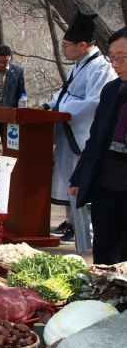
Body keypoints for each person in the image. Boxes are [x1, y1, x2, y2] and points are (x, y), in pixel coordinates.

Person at [46, 11, 116, 245]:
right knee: (68, 182)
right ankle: (73, 224)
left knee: (81, 184)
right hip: (68, 130)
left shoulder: (101, 68)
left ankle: (88, 231)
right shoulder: (79, 65)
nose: (64, 49)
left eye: (67, 45)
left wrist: (61, 107)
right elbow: (66, 92)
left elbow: (94, 102)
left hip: (82, 133)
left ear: (83, 45)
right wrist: (51, 104)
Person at [68, 27, 127, 263]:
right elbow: (96, 138)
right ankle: (105, 294)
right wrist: (80, 175)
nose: (115, 63)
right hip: (108, 179)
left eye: (122, 57)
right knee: (105, 247)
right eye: (112, 57)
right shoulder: (111, 90)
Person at [0, 44, 27, 187]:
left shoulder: (17, 71)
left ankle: (9, 176)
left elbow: (22, 92)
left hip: (8, 116)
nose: (2, 65)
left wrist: (22, 101)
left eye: (6, 62)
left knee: (10, 146)